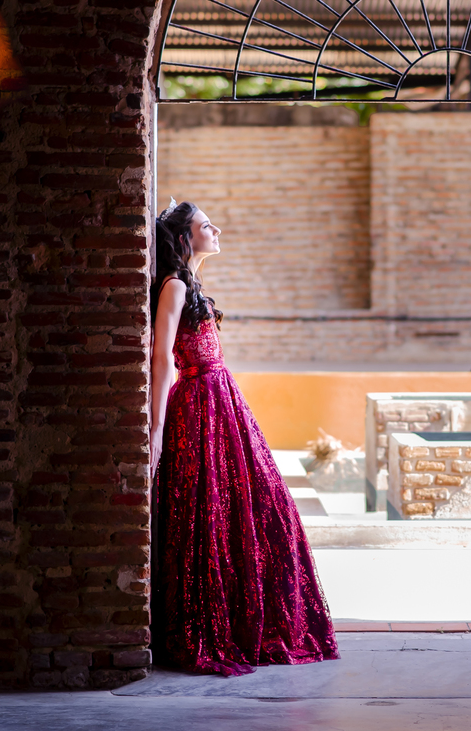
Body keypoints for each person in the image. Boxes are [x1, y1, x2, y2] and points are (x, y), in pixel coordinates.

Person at [149, 200, 339, 675]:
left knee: (261, 508)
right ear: (185, 239)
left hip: (222, 402)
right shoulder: (173, 287)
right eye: (206, 225)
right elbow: (162, 360)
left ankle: (252, 622)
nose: (217, 230)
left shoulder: (191, 286)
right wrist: (155, 427)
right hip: (199, 406)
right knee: (208, 514)